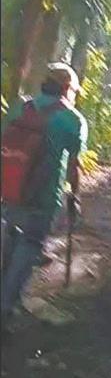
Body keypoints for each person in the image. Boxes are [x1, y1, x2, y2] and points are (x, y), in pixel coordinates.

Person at [1, 62, 88, 324]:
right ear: (66, 88)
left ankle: (6, 298)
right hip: (43, 197)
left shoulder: (21, 106)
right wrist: (75, 195)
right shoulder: (72, 119)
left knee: (11, 244)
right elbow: (74, 165)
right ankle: (6, 306)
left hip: (10, 190)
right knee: (29, 247)